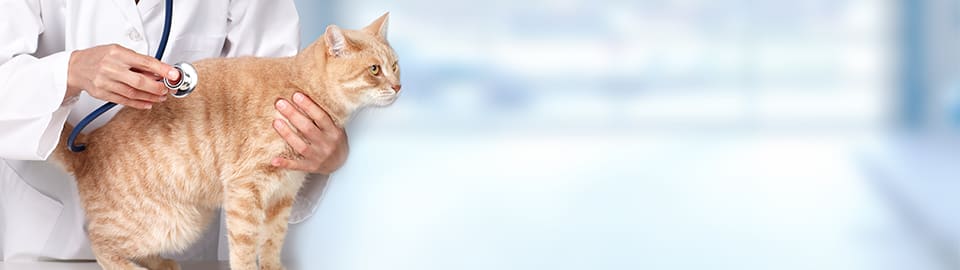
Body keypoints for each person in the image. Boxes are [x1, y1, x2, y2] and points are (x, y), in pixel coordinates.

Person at [0, 0, 347, 262]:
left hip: (181, 243)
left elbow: (272, 95)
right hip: (51, 243)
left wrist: (324, 150)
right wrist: (70, 71)